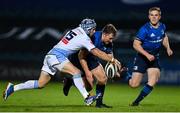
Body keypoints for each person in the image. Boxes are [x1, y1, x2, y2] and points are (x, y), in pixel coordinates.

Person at [3, 19, 122, 106]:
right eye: (93, 29)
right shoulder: (84, 38)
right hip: (57, 56)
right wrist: (112, 59)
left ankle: (13, 88)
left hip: (51, 55)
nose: (94, 31)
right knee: (76, 72)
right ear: (89, 29)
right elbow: (96, 52)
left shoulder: (76, 30)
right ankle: (87, 98)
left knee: (40, 84)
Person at [63, 24, 120, 108]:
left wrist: (115, 71)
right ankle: (70, 81)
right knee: (88, 87)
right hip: (78, 58)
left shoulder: (109, 43)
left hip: (90, 57)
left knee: (103, 78)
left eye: (112, 39)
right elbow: (81, 55)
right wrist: (87, 72)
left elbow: (110, 58)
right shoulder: (93, 37)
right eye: (110, 38)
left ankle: (99, 104)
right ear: (104, 34)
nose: (111, 41)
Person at [128, 7, 173, 106]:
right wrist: (147, 55)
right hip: (142, 58)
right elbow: (135, 44)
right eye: (151, 15)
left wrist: (168, 48)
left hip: (154, 58)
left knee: (153, 81)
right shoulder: (144, 29)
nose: (153, 17)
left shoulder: (162, 27)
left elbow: (164, 37)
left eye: (156, 15)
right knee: (134, 85)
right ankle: (125, 74)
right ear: (149, 16)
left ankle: (136, 102)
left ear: (159, 17)